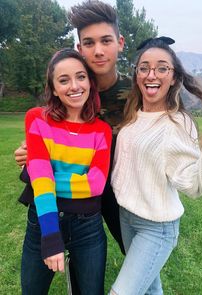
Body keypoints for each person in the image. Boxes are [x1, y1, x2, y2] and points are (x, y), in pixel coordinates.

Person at [109, 37, 202, 295]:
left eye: (162, 67)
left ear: (174, 77)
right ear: (136, 75)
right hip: (126, 217)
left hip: (156, 227)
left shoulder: (177, 124)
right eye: (144, 67)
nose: (151, 74)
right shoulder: (133, 114)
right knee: (149, 288)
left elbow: (195, 186)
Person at [21, 48, 112, 295]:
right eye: (64, 80)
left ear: (90, 82)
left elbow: (96, 185)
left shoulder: (102, 131)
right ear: (53, 87)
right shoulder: (37, 119)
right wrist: (51, 235)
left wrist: (38, 177)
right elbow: (43, 178)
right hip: (43, 223)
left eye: (80, 77)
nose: (74, 86)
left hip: (88, 228)